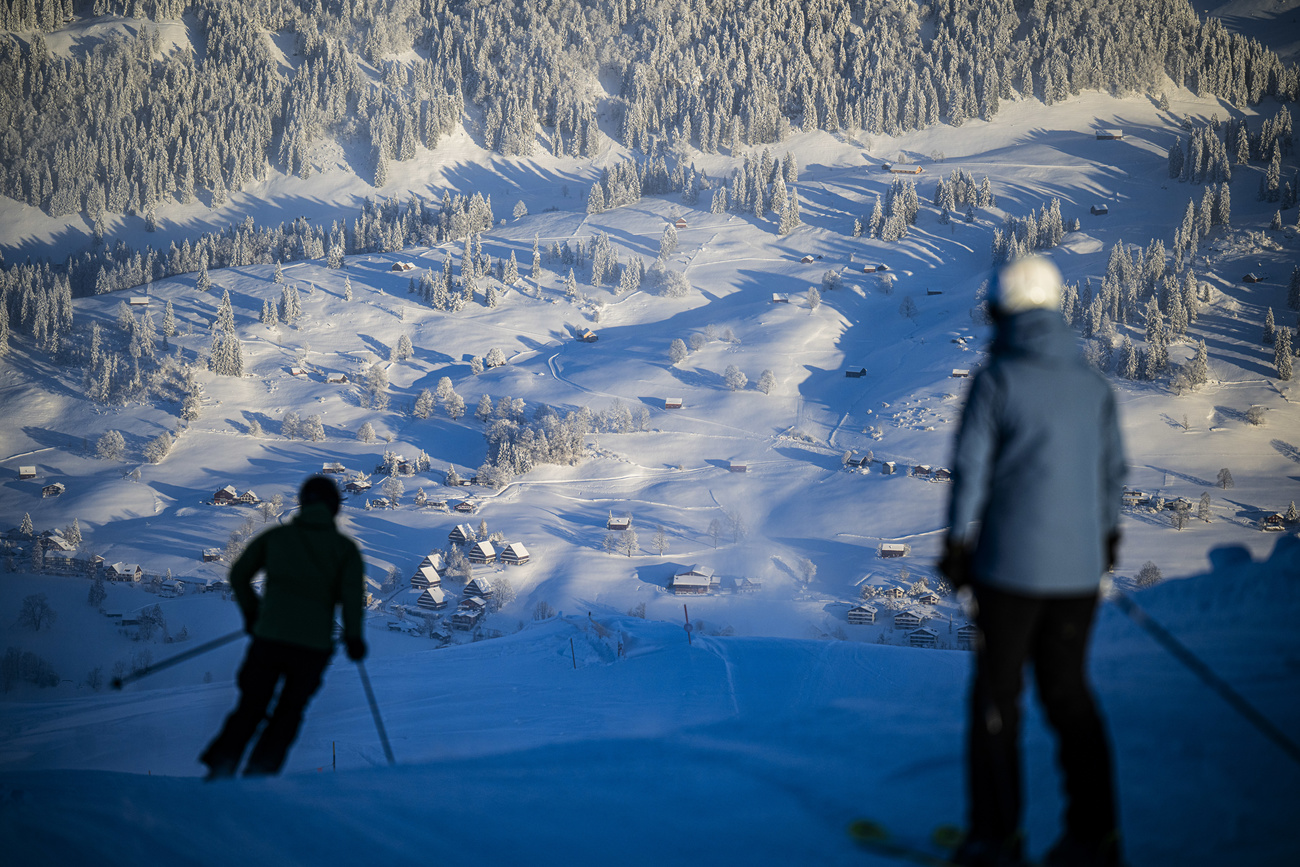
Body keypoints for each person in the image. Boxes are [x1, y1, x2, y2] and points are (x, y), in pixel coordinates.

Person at [941, 255, 1127, 867]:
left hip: (1008, 571)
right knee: (1069, 694)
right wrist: (1102, 543)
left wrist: (956, 546)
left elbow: (971, 470)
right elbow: (1112, 474)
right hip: (1077, 576)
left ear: (1002, 311)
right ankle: (1095, 835)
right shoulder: (1093, 386)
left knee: (998, 701)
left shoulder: (997, 379)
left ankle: (995, 839)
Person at [200, 475, 366, 779]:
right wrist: (354, 638)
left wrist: (253, 614)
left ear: (302, 503)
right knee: (289, 711)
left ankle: (222, 765)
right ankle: (261, 771)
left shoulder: (276, 538)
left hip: (269, 639)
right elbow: (353, 600)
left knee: (251, 704)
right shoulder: (344, 550)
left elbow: (239, 576)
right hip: (312, 647)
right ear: (334, 507)